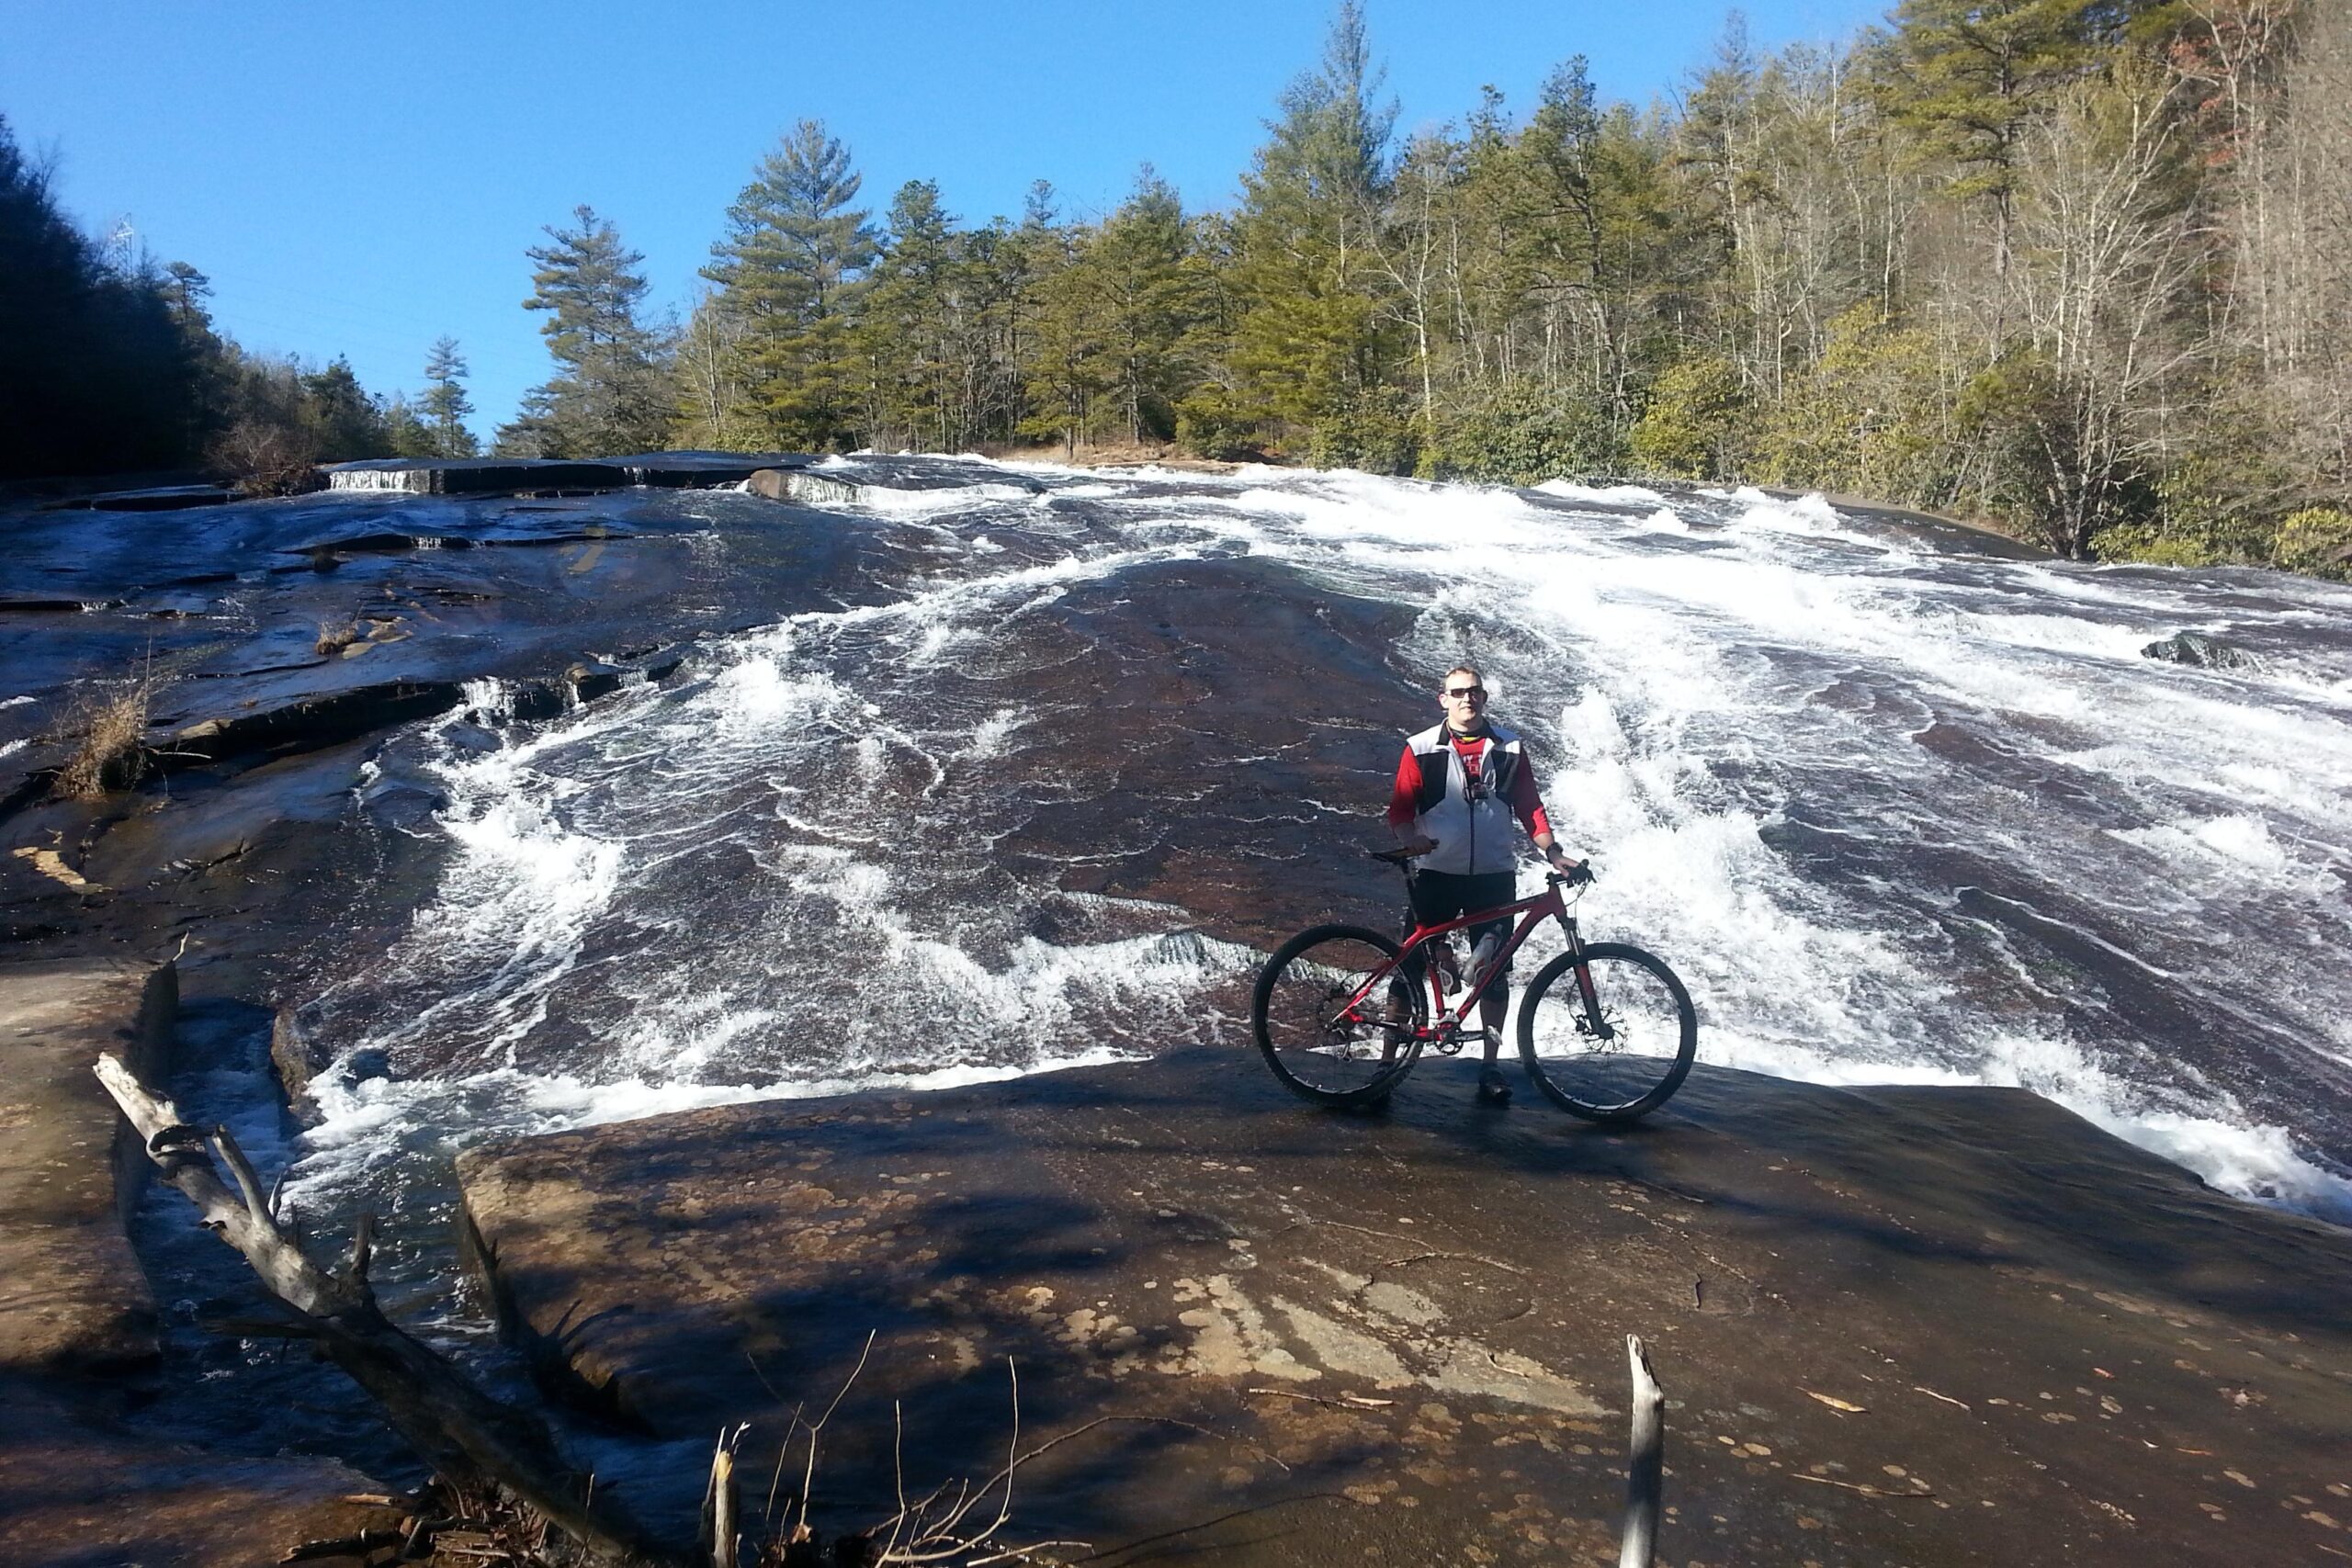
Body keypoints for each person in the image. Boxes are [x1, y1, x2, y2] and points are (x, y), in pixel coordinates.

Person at [1386, 663, 1584, 1104]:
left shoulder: (1509, 747)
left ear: (1484, 697)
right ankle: (1386, 1061)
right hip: (1436, 871)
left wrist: (1554, 853)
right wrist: (1412, 842)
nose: (1466, 699)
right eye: (1457, 693)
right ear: (1443, 700)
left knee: (1494, 976)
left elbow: (1530, 806)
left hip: (1494, 874)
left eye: (1473, 692)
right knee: (1407, 971)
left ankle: (1490, 1067)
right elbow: (1399, 811)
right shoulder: (1420, 748)